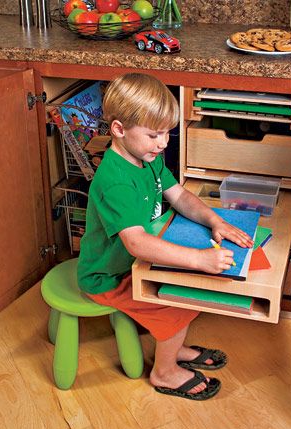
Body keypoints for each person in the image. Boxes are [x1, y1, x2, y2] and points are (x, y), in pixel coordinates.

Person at [77, 73, 253, 401]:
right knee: (175, 307)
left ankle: (174, 348)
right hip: (108, 277)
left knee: (187, 291)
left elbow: (180, 196)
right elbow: (136, 242)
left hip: (136, 264)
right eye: (153, 134)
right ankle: (165, 372)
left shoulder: (147, 159)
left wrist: (214, 220)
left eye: (167, 133)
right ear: (119, 130)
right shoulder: (116, 181)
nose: (163, 143)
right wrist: (199, 259)